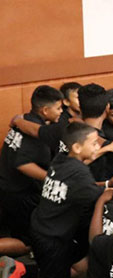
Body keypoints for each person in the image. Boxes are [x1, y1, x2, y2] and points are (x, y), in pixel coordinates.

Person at [0, 123, 106, 278]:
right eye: (93, 143)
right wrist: (112, 188)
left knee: (78, 266)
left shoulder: (61, 159)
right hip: (52, 240)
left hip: (40, 229)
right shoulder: (80, 175)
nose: (98, 145)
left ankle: (23, 270)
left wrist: (102, 152)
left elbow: (83, 175)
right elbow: (99, 195)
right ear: (77, 147)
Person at [0, 86, 63, 252]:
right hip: (20, 196)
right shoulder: (35, 135)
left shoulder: (24, 122)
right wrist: (51, 178)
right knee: (28, 242)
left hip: (8, 189)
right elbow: (23, 164)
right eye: (58, 108)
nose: (61, 112)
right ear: (45, 110)